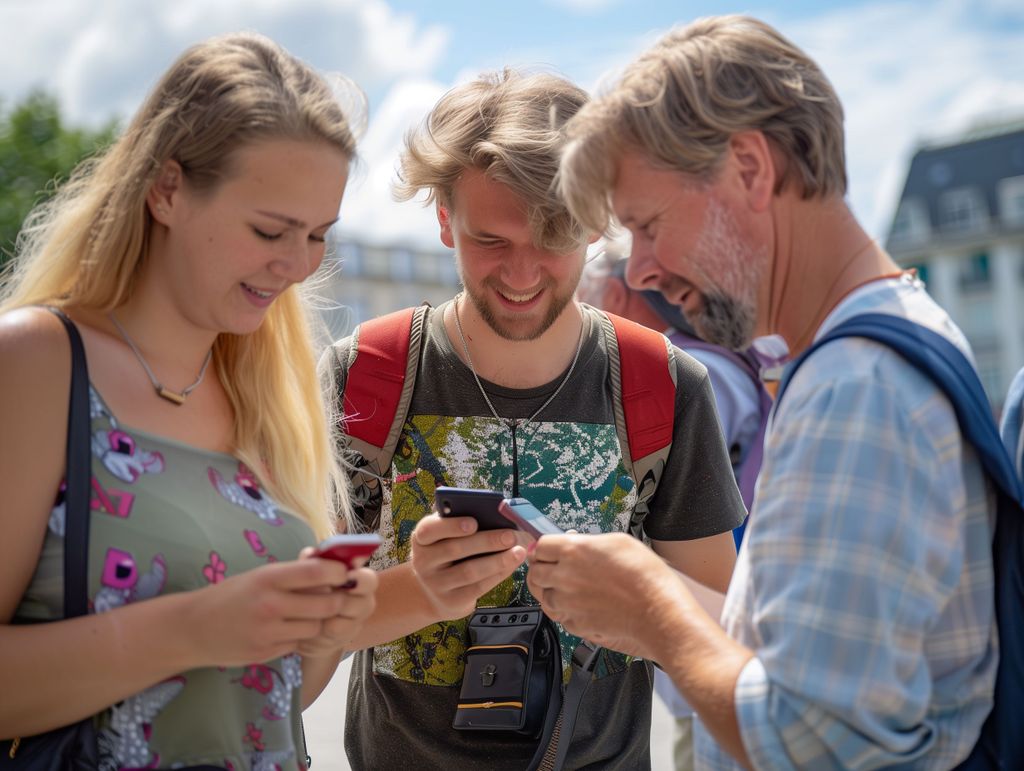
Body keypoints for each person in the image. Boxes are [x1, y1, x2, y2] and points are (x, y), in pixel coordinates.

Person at [527, 14, 998, 770]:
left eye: (648, 225)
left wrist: (652, 608)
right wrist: (636, 600)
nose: (640, 269)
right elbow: (797, 661)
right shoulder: (873, 347)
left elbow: (811, 743)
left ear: (749, 168)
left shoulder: (857, 387)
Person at [320, 69, 746, 770]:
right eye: (491, 240)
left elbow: (723, 637)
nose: (521, 275)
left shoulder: (665, 386)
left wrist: (637, 601)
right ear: (443, 218)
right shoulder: (363, 376)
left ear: (598, 221)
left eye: (554, 238)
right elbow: (295, 649)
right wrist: (416, 590)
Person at [0, 33, 378, 769]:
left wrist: (324, 633)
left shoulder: (270, 399)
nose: (296, 265)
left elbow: (269, 704)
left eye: (317, 236)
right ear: (166, 189)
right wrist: (192, 629)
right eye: (269, 230)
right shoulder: (39, 363)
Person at [577, 246, 773, 771]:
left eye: (584, 303)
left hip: (711, 649)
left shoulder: (680, 374)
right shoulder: (725, 361)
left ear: (613, 296)